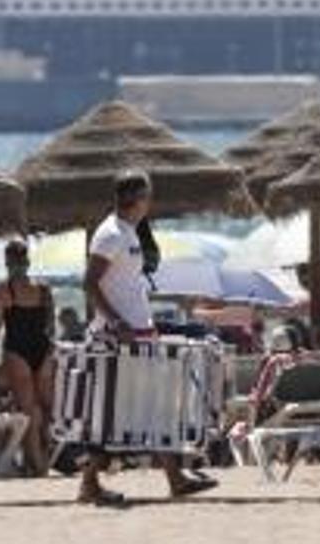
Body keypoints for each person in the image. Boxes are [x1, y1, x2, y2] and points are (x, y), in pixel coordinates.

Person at [77, 169, 216, 506]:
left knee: (153, 406)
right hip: (119, 337)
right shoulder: (111, 234)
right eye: (148, 195)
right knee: (119, 412)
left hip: (138, 333)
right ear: (137, 198)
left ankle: (174, 477)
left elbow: (123, 284)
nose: (150, 202)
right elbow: (90, 282)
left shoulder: (128, 232)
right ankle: (89, 484)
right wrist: (118, 322)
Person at [0, 239, 55, 476]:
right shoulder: (44, 290)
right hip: (43, 350)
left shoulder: (3, 290)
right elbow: (50, 327)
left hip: (17, 350)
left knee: (29, 411)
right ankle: (39, 461)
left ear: (7, 262)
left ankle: (39, 466)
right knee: (47, 409)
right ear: (27, 261)